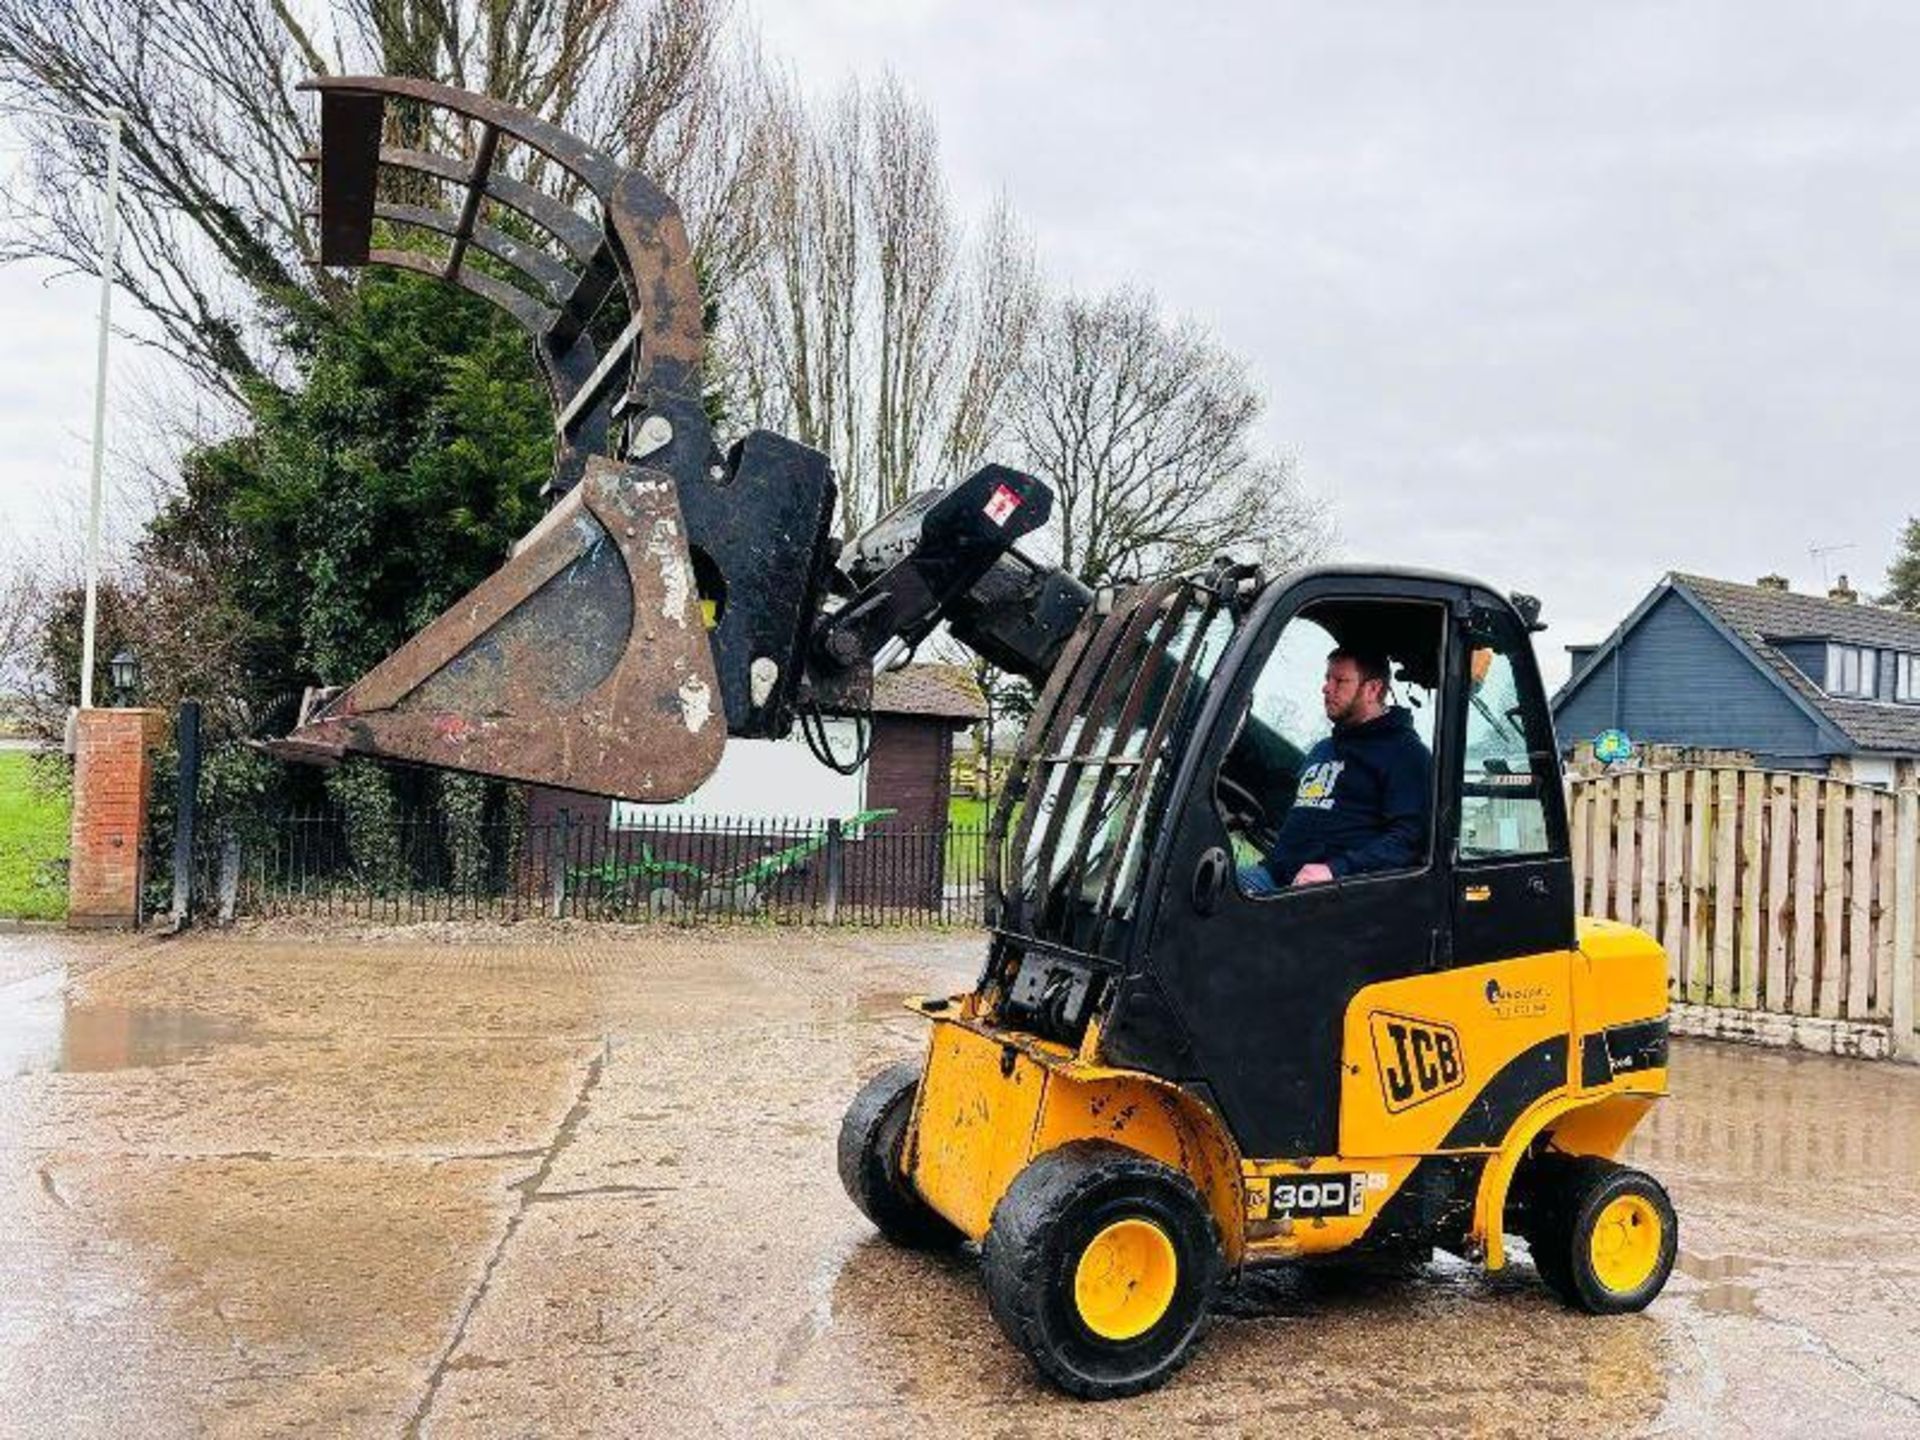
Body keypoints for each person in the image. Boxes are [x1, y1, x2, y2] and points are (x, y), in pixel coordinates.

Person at [1239, 648, 1431, 896]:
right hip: (1273, 878)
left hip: (1333, 897)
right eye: (1327, 679)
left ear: (1372, 689)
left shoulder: (1406, 754)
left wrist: (1335, 870)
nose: (1326, 688)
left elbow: (1408, 842)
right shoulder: (1323, 749)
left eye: (1340, 681)